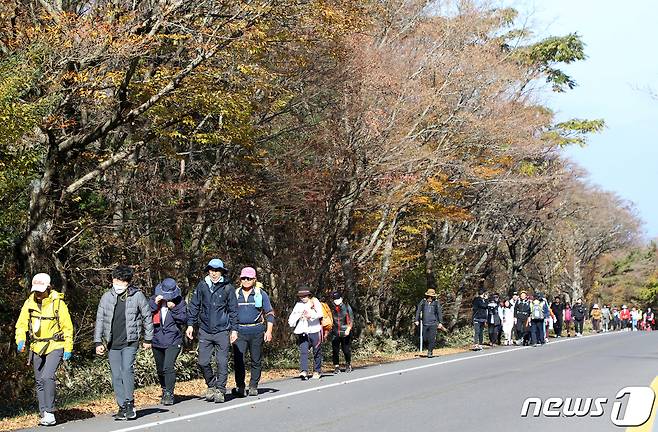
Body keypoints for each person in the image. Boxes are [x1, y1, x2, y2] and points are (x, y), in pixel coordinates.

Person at [95, 265, 153, 420]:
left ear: (128, 282)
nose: (119, 283)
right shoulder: (106, 297)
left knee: (126, 369)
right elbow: (100, 319)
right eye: (117, 280)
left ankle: (129, 403)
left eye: (123, 281)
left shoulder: (137, 295)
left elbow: (147, 316)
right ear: (113, 280)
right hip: (112, 343)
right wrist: (97, 342)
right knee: (116, 375)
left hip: (130, 341)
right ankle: (121, 405)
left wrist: (148, 338)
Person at [15, 273, 74, 426]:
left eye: (41, 291)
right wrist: (20, 339)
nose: (38, 294)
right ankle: (43, 413)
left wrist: (68, 347)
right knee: (39, 380)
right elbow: (21, 324)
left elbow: (67, 327)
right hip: (36, 346)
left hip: (55, 345)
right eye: (36, 291)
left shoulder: (58, 303)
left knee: (48, 376)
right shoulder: (29, 303)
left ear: (48, 288)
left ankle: (50, 412)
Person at [186, 258, 239, 403]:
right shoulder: (202, 286)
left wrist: (234, 330)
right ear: (208, 270)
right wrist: (190, 324)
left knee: (221, 362)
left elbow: (233, 310)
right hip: (205, 330)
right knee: (203, 362)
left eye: (217, 270)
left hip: (222, 330)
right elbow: (194, 306)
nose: (214, 273)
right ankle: (211, 384)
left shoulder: (228, 288)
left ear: (221, 272)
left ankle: (220, 390)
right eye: (211, 270)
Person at [231, 267, 275, 397]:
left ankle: (253, 385)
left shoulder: (260, 293)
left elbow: (270, 313)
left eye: (249, 278)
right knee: (239, 360)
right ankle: (240, 386)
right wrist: (230, 331)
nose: (246, 281)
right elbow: (229, 313)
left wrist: (269, 330)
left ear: (254, 279)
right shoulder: (235, 294)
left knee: (256, 360)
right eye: (243, 278)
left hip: (257, 331)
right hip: (239, 331)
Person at [149, 278, 187, 406]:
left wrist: (174, 309)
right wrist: (155, 303)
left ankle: (169, 393)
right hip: (157, 339)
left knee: (168, 367)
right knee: (160, 369)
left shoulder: (179, 302)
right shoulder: (154, 299)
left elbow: (183, 319)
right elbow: (145, 314)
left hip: (173, 339)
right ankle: (164, 389)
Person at [288, 286, 323, 380]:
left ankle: (317, 370)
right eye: (301, 296)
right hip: (303, 331)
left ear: (309, 295)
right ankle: (304, 371)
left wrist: (310, 315)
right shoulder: (298, 304)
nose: (303, 298)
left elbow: (320, 314)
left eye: (304, 296)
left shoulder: (315, 302)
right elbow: (292, 317)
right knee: (303, 351)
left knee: (316, 351)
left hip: (315, 330)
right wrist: (297, 317)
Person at [414, 288, 445, 358]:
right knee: (425, 338)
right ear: (427, 296)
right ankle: (428, 347)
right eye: (429, 296)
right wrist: (416, 320)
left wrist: (440, 322)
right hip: (425, 323)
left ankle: (430, 352)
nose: (430, 298)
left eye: (432, 296)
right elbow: (418, 310)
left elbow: (439, 312)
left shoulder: (436, 302)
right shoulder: (423, 301)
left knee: (432, 338)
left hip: (433, 323)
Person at [331, 291, 354, 372]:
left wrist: (348, 329)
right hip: (335, 331)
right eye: (334, 299)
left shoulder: (347, 307)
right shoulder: (332, 308)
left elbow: (351, 319)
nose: (336, 300)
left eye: (337, 299)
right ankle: (336, 366)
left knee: (346, 350)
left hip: (345, 331)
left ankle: (348, 364)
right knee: (335, 350)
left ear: (341, 298)